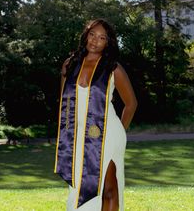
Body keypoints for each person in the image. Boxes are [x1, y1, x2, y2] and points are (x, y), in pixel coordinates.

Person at [54, 19, 137, 211]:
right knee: (80, 186)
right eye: (92, 35)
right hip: (76, 135)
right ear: (86, 35)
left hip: (107, 134)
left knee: (109, 188)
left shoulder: (113, 68)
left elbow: (131, 103)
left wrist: (118, 133)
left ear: (108, 43)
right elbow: (63, 103)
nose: (95, 41)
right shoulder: (69, 64)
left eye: (102, 38)